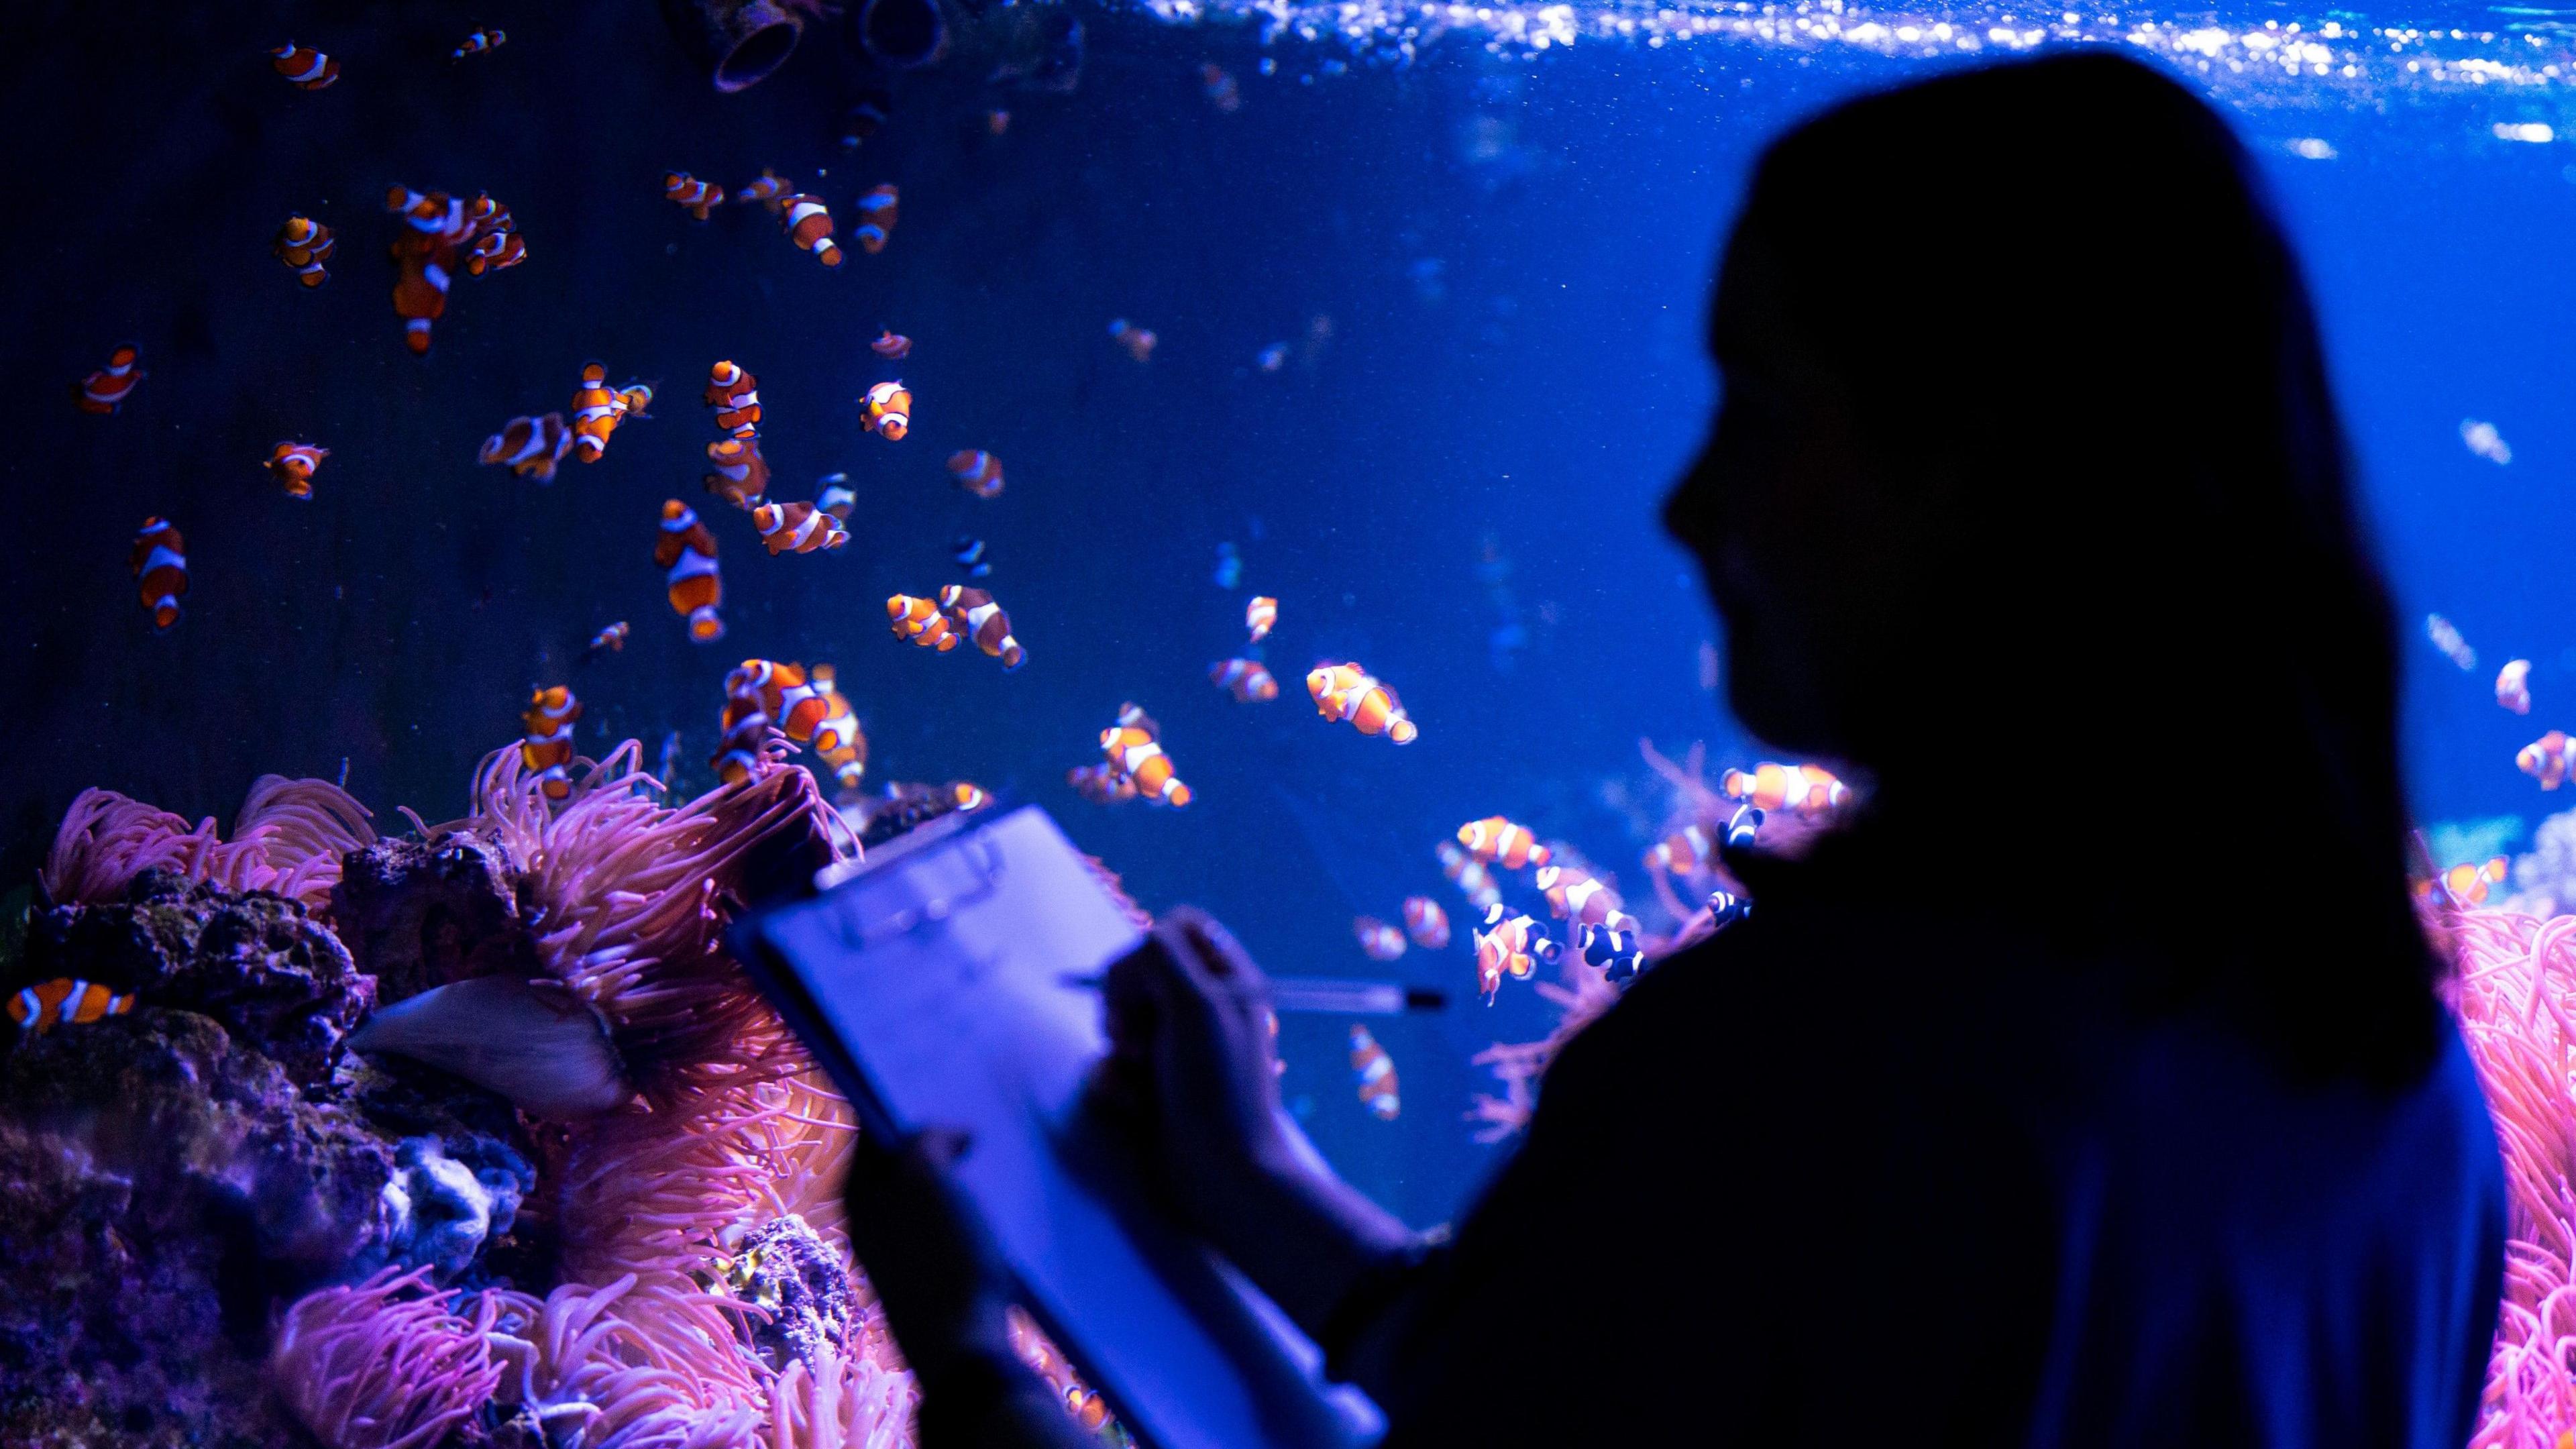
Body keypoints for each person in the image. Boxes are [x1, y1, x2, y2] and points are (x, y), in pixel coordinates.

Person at [843, 50, 2506, 1446]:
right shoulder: (2404, 1103)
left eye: (1763, 413)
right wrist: (1257, 1175)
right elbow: (1616, 1381)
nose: (1689, 504)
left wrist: (972, 1361)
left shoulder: (1804, 1070)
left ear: (1979, 472)